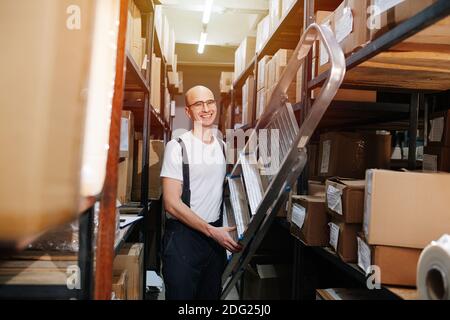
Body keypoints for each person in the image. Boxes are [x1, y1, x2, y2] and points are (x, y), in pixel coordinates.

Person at [160, 85, 242, 300]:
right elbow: (171, 203)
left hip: (214, 240)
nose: (206, 108)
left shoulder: (223, 146)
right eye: (198, 104)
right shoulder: (177, 146)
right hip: (183, 240)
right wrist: (211, 231)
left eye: (210, 102)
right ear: (188, 111)